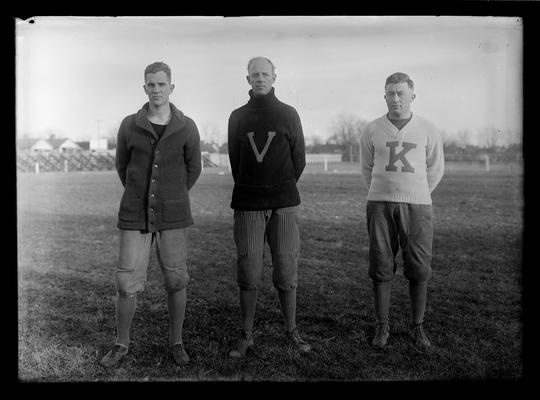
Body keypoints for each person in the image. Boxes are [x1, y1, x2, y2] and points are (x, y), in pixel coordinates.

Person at [100, 61, 202, 368]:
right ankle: (121, 343)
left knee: (176, 279)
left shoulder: (187, 126)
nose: (156, 89)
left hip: (174, 215)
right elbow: (122, 166)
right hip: (134, 214)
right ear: (144, 88)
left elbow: (193, 169)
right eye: (150, 84)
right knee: (125, 281)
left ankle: (177, 342)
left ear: (171, 87)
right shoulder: (129, 124)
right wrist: (138, 195)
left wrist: (172, 196)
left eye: (161, 84)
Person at [227, 56, 310, 358]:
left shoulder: (289, 114)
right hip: (248, 203)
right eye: (254, 74)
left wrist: (280, 188)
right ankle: (246, 335)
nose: (260, 78)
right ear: (247, 79)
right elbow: (237, 163)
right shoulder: (237, 116)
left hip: (284, 205)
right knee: (249, 270)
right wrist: (254, 187)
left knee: (286, 270)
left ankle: (292, 331)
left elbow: (298, 159)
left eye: (265, 74)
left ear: (274, 77)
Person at [360, 72, 444, 349]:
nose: (396, 98)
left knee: (418, 267)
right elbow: (366, 169)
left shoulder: (428, 129)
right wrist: (382, 192)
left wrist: (417, 193)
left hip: (418, 206)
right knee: (381, 264)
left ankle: (417, 327)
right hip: (380, 204)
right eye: (391, 93)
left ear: (412, 96)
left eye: (401, 93)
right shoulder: (372, 129)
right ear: (384, 96)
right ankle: (382, 326)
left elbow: (435, 169)